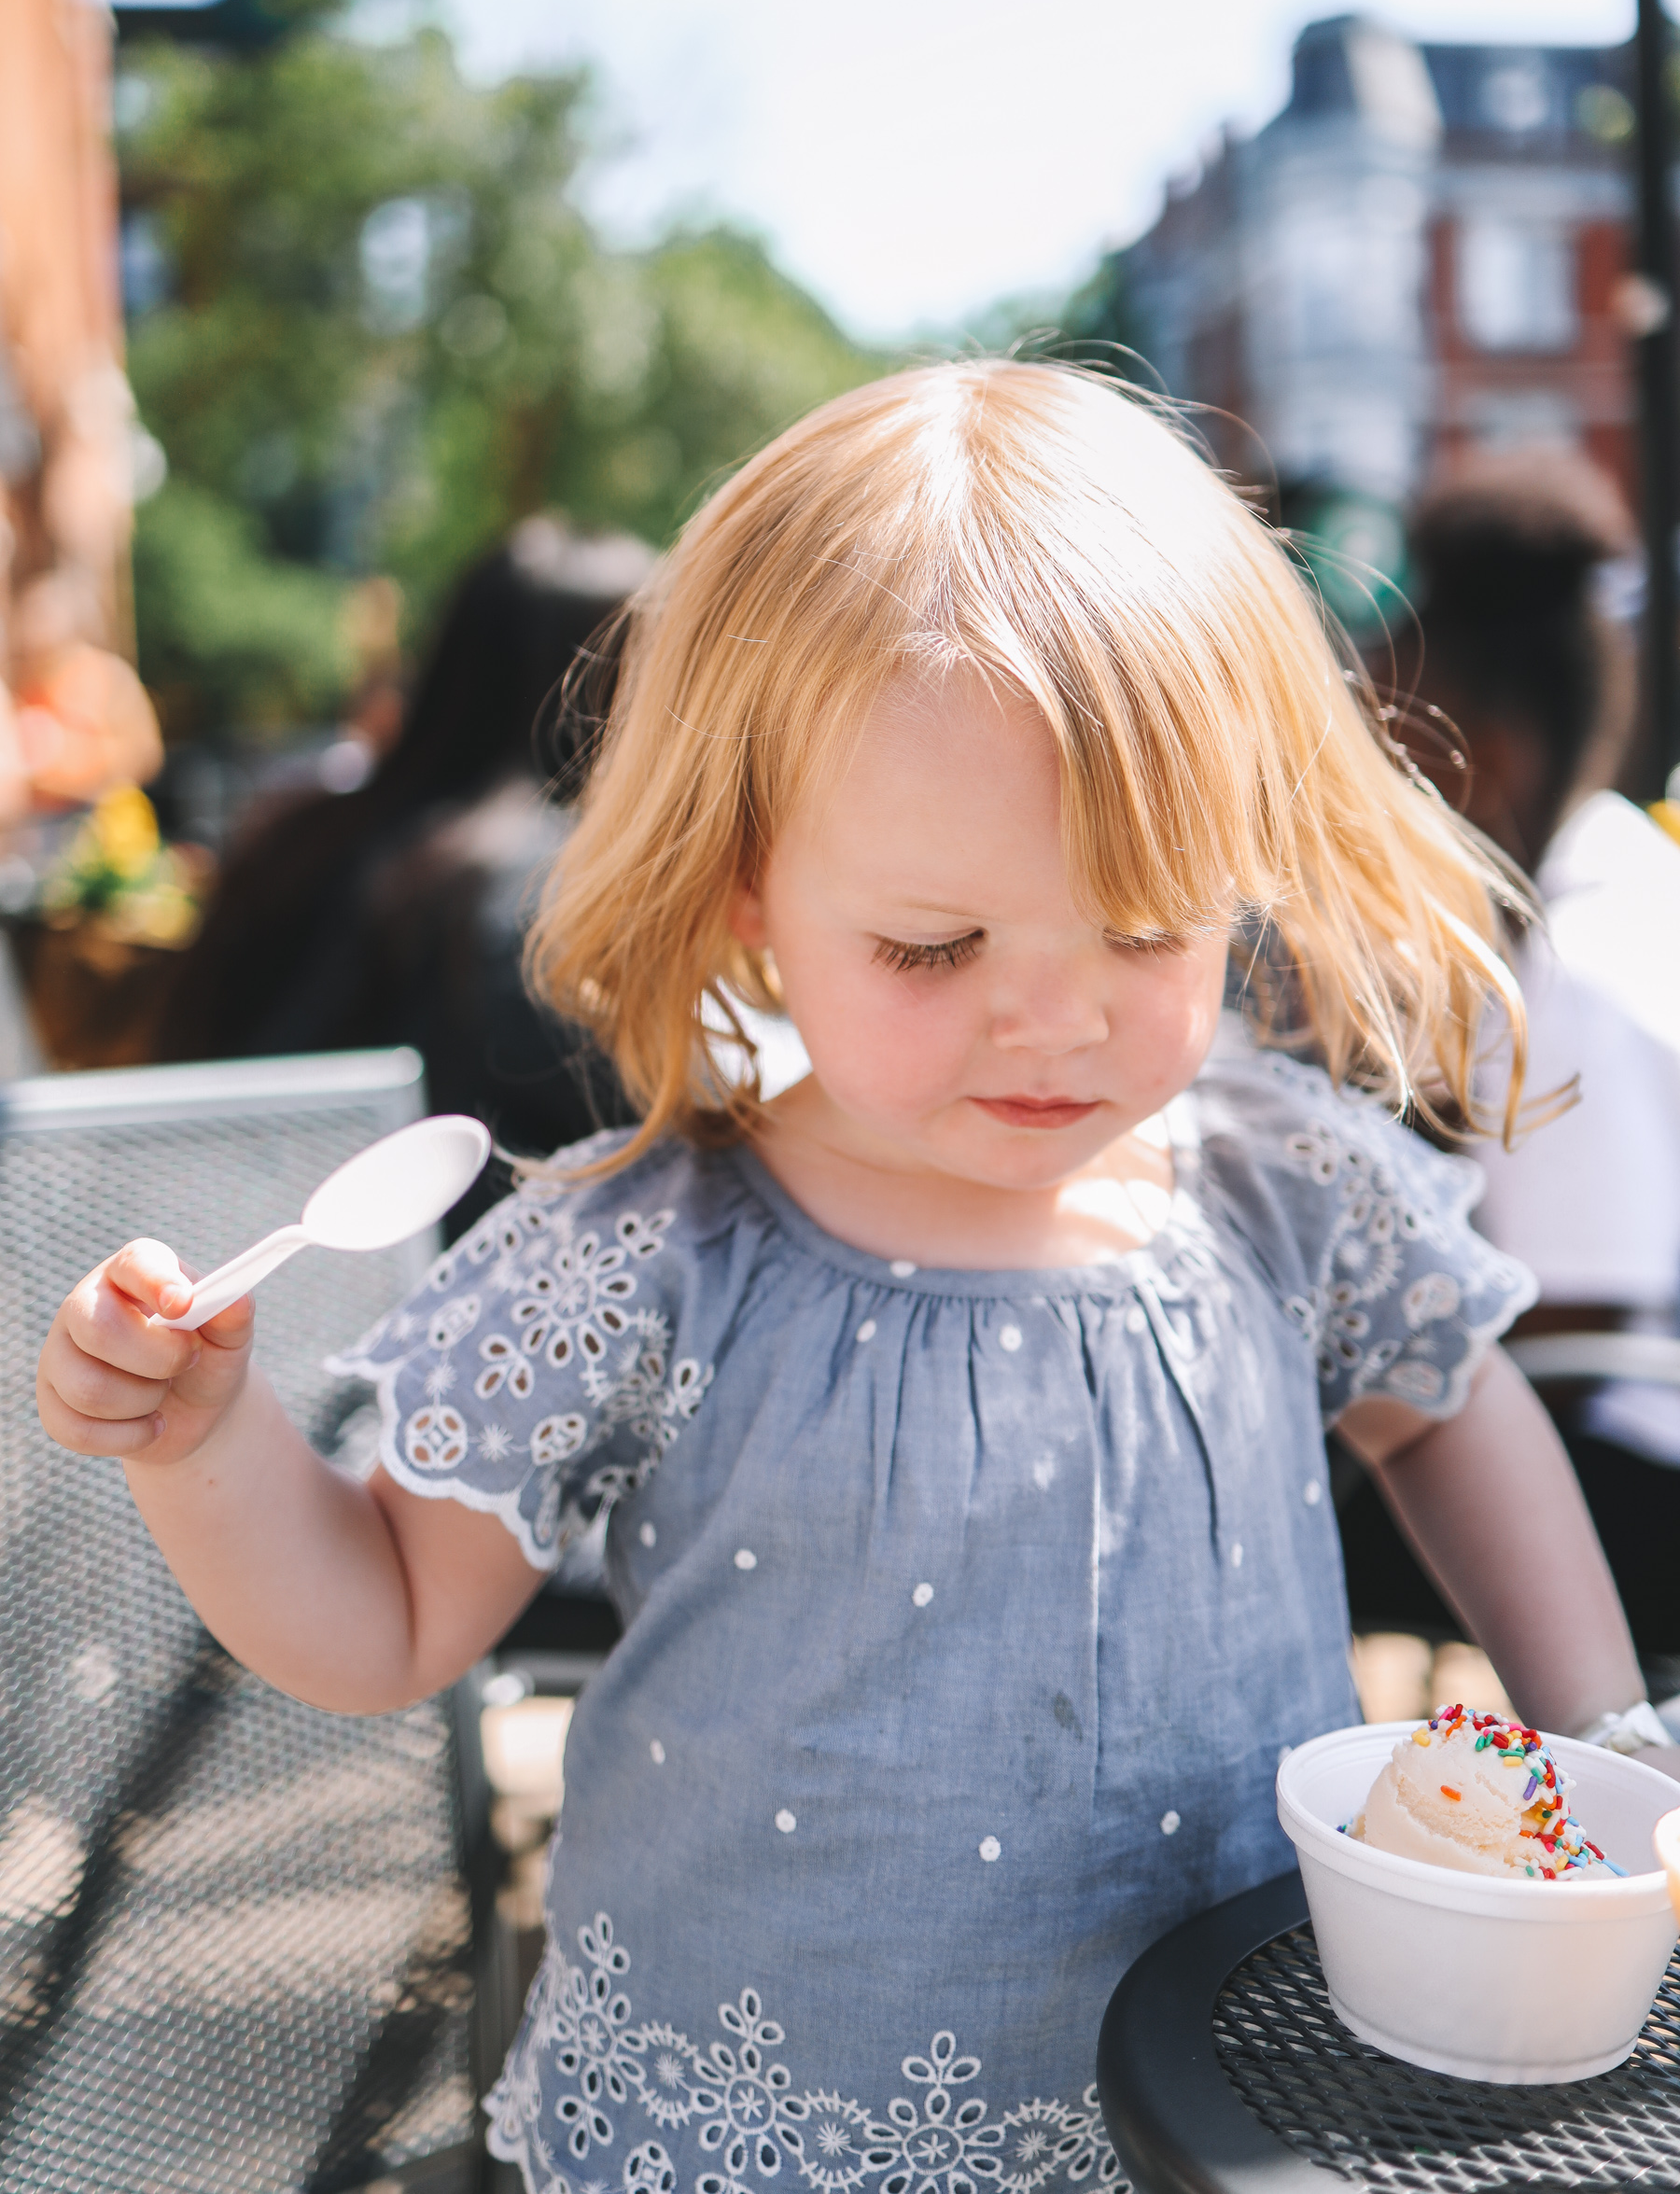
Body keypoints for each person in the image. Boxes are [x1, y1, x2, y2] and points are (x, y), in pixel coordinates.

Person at [35, 364, 1676, 2194]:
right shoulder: (653, 1252)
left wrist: (1593, 1747)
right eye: (932, 944)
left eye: (1145, 926)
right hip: (760, 2136)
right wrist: (202, 1440)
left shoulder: (1281, 1180)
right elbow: (384, 1620)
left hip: (1220, 2108)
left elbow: (1445, 1401)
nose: (1047, 1015)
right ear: (748, 884)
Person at [1371, 452, 1680, 1654]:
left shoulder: (1565, 979)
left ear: (1482, 760)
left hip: (1642, 1468)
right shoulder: (1625, 864)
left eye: (1388, 757)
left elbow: (1566, 1325)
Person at [154, 517, 650, 1233]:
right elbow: (665, 1147)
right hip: (451, 1313)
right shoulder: (552, 898)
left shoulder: (298, 839)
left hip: (223, 1271)